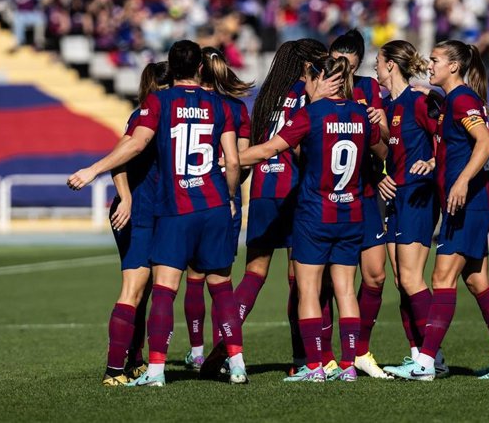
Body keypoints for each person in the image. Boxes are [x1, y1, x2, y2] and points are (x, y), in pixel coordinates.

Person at [67, 40, 247, 386]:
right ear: (199, 69)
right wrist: (229, 195)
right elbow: (234, 161)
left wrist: (94, 172)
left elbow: (132, 147)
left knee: (159, 290)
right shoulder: (214, 106)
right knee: (200, 287)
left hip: (172, 209)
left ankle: (148, 367)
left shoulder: (160, 105)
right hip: (187, 207)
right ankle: (233, 366)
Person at [238, 55, 387, 382]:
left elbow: (266, 151)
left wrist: (224, 161)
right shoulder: (362, 115)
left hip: (314, 214)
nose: (304, 86)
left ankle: (314, 366)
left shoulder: (310, 114)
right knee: (346, 290)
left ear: (321, 79)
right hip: (351, 212)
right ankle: (348, 366)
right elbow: (382, 150)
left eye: (307, 80)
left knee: (307, 291)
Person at [384, 39, 489, 381]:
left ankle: (426, 362)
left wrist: (460, 182)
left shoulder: (462, 99)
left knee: (440, 278)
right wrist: (436, 163)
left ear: (454, 67)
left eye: (434, 60)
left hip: (467, 203)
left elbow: (486, 143)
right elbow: (458, 146)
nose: (429, 65)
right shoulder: (454, 101)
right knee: (478, 281)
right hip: (468, 204)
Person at [200, 38, 339, 377]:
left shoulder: (266, 96)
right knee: (301, 280)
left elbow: (253, 149)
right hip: (294, 191)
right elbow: (297, 145)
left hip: (263, 189)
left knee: (254, 274)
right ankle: (303, 358)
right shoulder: (306, 92)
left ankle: (225, 343)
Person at [371, 40, 447, 377]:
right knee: (402, 281)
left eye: (377, 61)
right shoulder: (386, 107)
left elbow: (450, 135)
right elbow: (381, 155)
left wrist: (432, 160)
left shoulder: (419, 101)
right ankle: (417, 353)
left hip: (418, 196)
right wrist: (378, 179)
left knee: (412, 278)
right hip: (394, 198)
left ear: (390, 65)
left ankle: (434, 358)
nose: (374, 67)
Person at [183, 46, 253, 372]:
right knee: (222, 280)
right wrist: (230, 192)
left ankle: (197, 351)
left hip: (190, 196)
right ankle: (224, 356)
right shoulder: (237, 109)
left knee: (194, 278)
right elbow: (241, 160)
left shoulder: (188, 103)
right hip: (225, 197)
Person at [101, 61, 171, 386]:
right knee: (133, 288)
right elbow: (121, 156)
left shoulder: (173, 116)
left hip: (161, 212)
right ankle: (114, 370)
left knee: (148, 290)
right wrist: (126, 197)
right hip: (138, 211)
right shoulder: (144, 115)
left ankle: (136, 360)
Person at [325, 28, 390, 378]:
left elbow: (384, 147)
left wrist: (377, 132)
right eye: (336, 64)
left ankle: (361, 350)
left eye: (348, 67)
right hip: (327, 197)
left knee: (376, 276)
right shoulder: (319, 87)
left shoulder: (368, 89)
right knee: (324, 282)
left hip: (363, 194)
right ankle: (325, 355)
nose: (341, 73)